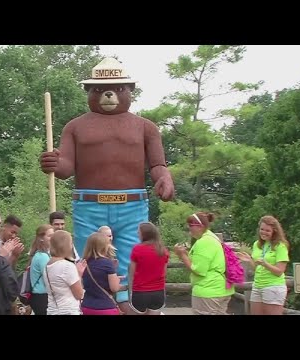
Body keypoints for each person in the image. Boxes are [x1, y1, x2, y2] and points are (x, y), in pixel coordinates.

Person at [40, 57, 174, 311]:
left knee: (129, 263)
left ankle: (126, 306)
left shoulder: (146, 128)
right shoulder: (75, 127)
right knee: (85, 261)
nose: (108, 94)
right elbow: (66, 167)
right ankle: (89, 305)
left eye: (117, 88)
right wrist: (54, 165)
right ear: (89, 92)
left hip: (132, 205)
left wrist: (164, 178)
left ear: (129, 91)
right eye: (98, 89)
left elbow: (158, 165)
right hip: (89, 204)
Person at [174, 212, 234, 315]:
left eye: (190, 226)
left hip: (208, 291)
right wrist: (183, 254)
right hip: (221, 289)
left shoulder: (204, 242)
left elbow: (199, 270)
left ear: (200, 226)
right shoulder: (213, 238)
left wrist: (183, 256)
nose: (189, 229)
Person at [236, 215, 290, 315]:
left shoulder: (280, 246)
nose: (264, 232)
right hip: (257, 285)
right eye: (262, 229)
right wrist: (249, 260)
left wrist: (266, 264)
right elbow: (257, 268)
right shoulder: (257, 244)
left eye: (267, 231)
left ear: (274, 231)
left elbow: (279, 272)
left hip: (273, 287)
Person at [128, 222, 168, 315]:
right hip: (158, 292)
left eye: (139, 232)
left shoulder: (137, 249)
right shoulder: (163, 250)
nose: (138, 234)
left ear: (144, 234)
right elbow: (164, 273)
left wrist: (130, 289)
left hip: (140, 291)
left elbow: (132, 272)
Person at [44, 230, 86, 315]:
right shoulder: (67, 266)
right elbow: (79, 294)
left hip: (52, 310)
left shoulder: (47, 266)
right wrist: (79, 274)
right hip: (68, 310)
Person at [81, 232, 122, 315]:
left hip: (86, 306)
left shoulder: (83, 263)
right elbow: (114, 288)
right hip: (105, 307)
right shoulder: (107, 263)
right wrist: (117, 280)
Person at [28, 224, 54, 315]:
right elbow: (50, 277)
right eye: (50, 236)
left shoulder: (43, 254)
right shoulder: (42, 256)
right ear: (41, 238)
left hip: (40, 296)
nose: (53, 238)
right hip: (41, 296)